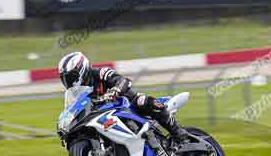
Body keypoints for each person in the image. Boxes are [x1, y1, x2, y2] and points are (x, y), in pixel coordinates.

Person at [58, 51, 190, 143]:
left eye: (71, 76)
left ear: (82, 69)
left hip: (126, 102)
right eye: (66, 78)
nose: (69, 81)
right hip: (103, 115)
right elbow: (75, 106)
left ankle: (178, 133)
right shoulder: (76, 93)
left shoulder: (100, 73)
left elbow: (123, 81)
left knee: (144, 101)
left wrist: (115, 90)